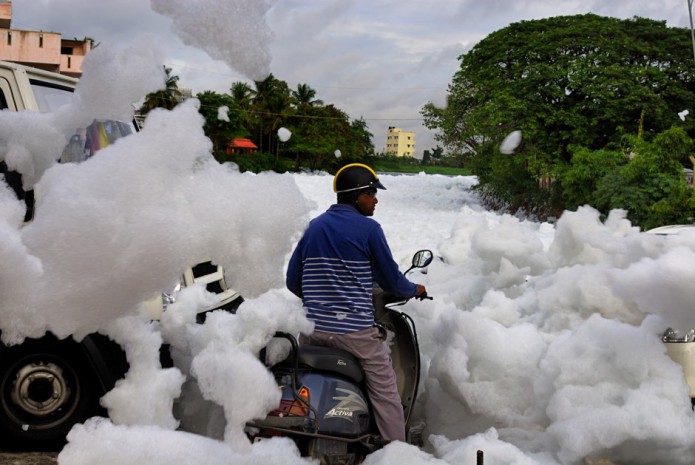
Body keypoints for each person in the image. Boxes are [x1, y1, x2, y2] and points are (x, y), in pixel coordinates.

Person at [286, 163, 426, 442]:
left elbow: (293, 281)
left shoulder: (314, 227)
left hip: (312, 332)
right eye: (372, 192)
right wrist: (415, 288)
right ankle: (395, 452)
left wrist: (321, 297)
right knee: (386, 391)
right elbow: (392, 281)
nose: (376, 199)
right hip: (354, 334)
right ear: (356, 195)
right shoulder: (369, 229)